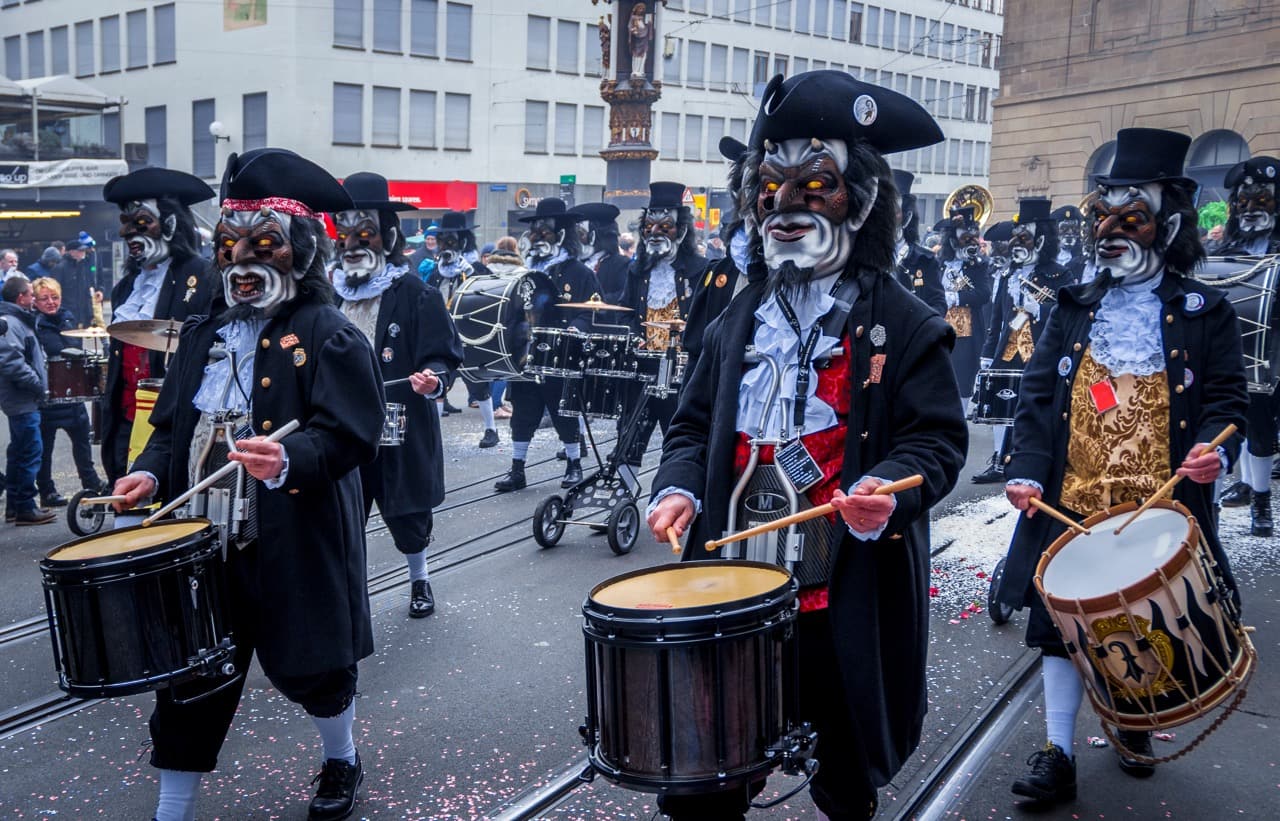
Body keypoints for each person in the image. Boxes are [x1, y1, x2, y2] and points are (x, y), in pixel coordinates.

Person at [646, 70, 967, 820]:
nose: (785, 206)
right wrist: (678, 486)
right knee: (704, 777)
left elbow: (937, 442)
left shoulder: (907, 323)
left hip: (839, 594)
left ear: (858, 200)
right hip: (728, 590)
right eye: (770, 188)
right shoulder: (735, 318)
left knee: (844, 780)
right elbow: (690, 426)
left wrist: (887, 485)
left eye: (814, 185)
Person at [112, 148, 384, 821]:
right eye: (230, 246)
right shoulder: (203, 330)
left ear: (300, 251)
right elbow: (172, 423)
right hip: (201, 538)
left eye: (263, 245)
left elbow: (353, 430)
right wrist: (148, 470)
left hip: (294, 531)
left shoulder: (328, 332)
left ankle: (341, 755)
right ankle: (172, 808)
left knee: (313, 666)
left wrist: (292, 458)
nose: (242, 262)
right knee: (191, 675)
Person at [996, 127, 1249, 803]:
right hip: (1072, 501)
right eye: (1099, 215)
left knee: (1139, 624)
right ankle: (1057, 748)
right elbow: (1039, 395)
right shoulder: (1074, 307)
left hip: (1159, 510)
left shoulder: (1207, 311)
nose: (1108, 230)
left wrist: (1216, 450)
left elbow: (1230, 402)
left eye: (1127, 217)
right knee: (1059, 627)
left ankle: (1135, 719)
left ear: (1166, 224)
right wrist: (1026, 466)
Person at [333, 172, 463, 618]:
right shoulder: (328, 296)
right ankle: (348, 592)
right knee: (341, 512)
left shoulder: (416, 293)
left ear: (386, 237)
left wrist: (434, 379)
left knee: (406, 513)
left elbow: (444, 356)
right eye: (344, 233)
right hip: (340, 422)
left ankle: (419, 579)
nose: (352, 243)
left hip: (397, 419)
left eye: (363, 233)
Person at [99, 168, 220, 484]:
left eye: (141, 222)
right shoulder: (126, 287)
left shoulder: (204, 277)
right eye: (125, 224)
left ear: (169, 224)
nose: (128, 234)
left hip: (172, 418)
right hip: (126, 417)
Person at [495, 198, 599, 492]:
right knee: (523, 411)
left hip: (561, 355)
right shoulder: (523, 272)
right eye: (535, 232)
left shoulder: (580, 273)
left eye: (545, 232)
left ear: (562, 235)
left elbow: (591, 312)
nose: (537, 237)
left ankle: (574, 464)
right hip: (526, 356)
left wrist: (575, 331)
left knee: (563, 411)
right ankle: (517, 469)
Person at [973, 197, 1073, 484]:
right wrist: (987, 351)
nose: (1017, 242)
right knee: (1001, 406)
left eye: (1024, 237)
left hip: (1040, 351)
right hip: (1007, 349)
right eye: (1016, 237)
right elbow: (997, 317)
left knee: (1032, 407)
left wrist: (1037, 309)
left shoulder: (1059, 273)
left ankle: (1027, 460)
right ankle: (997, 460)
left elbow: (1066, 315)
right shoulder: (1010, 274)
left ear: (1041, 240)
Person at [615, 181, 708, 482]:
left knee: (681, 435)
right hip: (643, 369)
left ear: (680, 230)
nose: (654, 232)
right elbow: (626, 311)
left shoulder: (702, 269)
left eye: (664, 226)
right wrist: (635, 336)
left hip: (682, 373)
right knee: (630, 433)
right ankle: (622, 498)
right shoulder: (637, 270)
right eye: (649, 225)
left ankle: (680, 493)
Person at [1210, 156, 1280, 533]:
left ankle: (1261, 502)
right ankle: (1212, 505)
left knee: (1261, 429)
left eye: (1262, 200)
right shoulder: (1220, 252)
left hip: (1269, 354)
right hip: (1224, 355)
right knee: (1218, 429)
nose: (1250, 208)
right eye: (1243, 202)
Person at [30, 277, 104, 505]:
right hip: (48, 397)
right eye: (44, 298)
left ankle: (91, 483)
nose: (51, 302)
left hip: (73, 394)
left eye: (55, 297)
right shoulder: (34, 323)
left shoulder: (68, 316)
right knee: (45, 449)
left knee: (82, 443)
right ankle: (47, 491)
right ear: (35, 301)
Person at [433, 210, 498, 443]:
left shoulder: (475, 267)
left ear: (462, 241)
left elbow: (491, 292)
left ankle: (491, 429)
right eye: (442, 240)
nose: (445, 245)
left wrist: (470, 273)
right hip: (442, 334)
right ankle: (435, 434)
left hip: (469, 334)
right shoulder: (436, 270)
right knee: (439, 381)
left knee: (478, 383)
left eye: (451, 240)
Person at [1, 275, 55, 525]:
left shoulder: (16, 320)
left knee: (19, 450)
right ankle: (25, 507)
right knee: (30, 451)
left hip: (22, 398)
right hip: (22, 399)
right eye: (31, 295)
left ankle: (15, 506)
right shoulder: (12, 323)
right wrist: (37, 385)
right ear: (21, 297)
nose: (34, 299)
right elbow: (12, 362)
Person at [937, 205, 995, 403]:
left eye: (974, 238)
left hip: (966, 334)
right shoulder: (940, 264)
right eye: (966, 239)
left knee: (962, 383)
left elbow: (984, 294)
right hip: (939, 328)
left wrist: (957, 298)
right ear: (953, 242)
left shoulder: (978, 266)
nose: (971, 243)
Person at [891, 170, 948, 316]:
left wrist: (920, 327)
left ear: (907, 217)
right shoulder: (864, 257)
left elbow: (938, 304)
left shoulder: (925, 260)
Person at [575, 202, 630, 304]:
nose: (576, 241)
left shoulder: (621, 264)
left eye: (581, 234)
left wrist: (596, 301)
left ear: (593, 236)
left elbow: (625, 294)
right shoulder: (574, 264)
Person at [51, 239, 100, 325]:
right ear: (71, 252)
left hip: (82, 312)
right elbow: (54, 291)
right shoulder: (60, 268)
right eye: (80, 250)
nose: (83, 253)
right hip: (67, 312)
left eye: (84, 250)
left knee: (79, 336)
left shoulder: (83, 266)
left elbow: (87, 288)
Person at [1052, 204, 1089, 280]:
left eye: (1074, 228)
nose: (1070, 232)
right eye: (1064, 228)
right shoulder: (1048, 256)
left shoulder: (1084, 257)